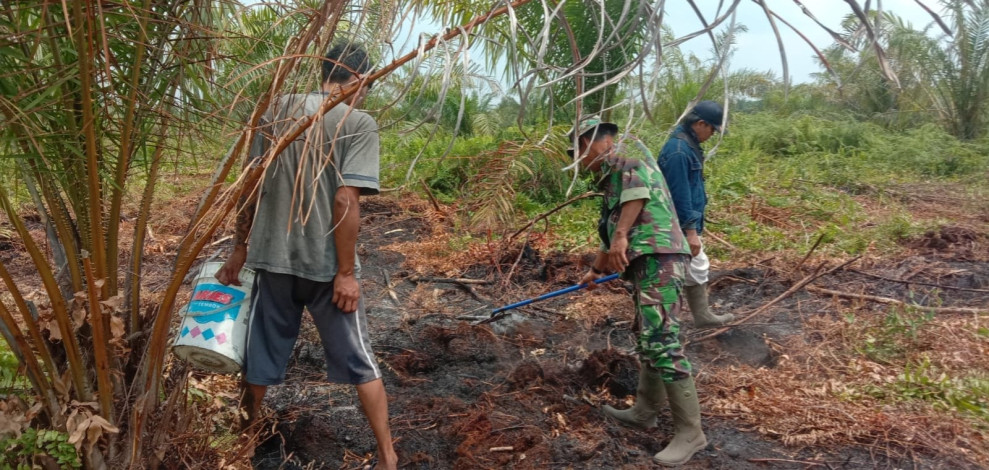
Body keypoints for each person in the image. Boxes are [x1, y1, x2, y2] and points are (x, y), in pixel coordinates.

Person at [214, 43, 397, 470]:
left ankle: (242, 446)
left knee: (259, 356)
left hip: (271, 261)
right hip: (325, 268)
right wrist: (346, 273)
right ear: (360, 78)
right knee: (361, 361)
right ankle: (388, 456)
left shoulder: (277, 110)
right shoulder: (358, 122)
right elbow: (345, 201)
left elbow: (250, 186)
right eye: (366, 84)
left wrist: (241, 248)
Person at [571, 115, 709, 466]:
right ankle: (645, 412)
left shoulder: (626, 157)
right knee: (649, 337)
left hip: (659, 256)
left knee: (663, 340)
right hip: (645, 261)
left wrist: (620, 237)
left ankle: (691, 433)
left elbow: (637, 198)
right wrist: (593, 271)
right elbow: (609, 233)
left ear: (592, 143)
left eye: (578, 153)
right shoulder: (611, 179)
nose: (580, 161)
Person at [656, 100, 734, 328]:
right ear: (700, 123)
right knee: (680, 271)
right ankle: (674, 323)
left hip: (683, 224)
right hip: (678, 226)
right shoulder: (679, 151)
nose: (711, 135)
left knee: (693, 268)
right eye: (712, 129)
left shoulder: (687, 145)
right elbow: (680, 195)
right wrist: (691, 231)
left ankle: (696, 317)